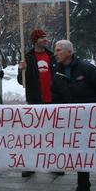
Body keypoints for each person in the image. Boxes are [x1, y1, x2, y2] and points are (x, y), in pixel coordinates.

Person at [51, 40, 96, 191]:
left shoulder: (86, 68)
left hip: (95, 121)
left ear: (69, 52)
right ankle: (83, 187)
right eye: (55, 50)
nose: (55, 53)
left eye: (58, 50)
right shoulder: (57, 76)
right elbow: (56, 100)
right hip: (75, 123)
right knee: (80, 153)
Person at [17, 29, 63, 177]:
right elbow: (21, 81)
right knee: (34, 134)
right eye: (42, 37)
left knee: (52, 134)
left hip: (52, 100)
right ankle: (30, 164)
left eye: (45, 36)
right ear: (35, 40)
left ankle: (54, 163)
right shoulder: (28, 57)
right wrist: (21, 70)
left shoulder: (52, 56)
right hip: (36, 100)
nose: (45, 39)